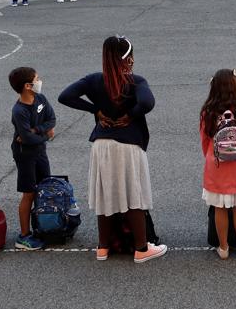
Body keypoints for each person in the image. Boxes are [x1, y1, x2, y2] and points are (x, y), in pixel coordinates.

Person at [58, 36, 167, 263]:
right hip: (128, 145)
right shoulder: (135, 81)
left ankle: (103, 247)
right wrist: (130, 115)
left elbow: (65, 96)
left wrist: (95, 111)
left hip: (101, 144)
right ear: (128, 59)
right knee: (133, 195)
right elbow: (147, 103)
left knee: (106, 194)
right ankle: (141, 248)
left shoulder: (94, 80)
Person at [199, 69, 236, 260]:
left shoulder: (208, 111)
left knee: (220, 207)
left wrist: (210, 156)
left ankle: (223, 247)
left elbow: (205, 140)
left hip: (216, 163)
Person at [8, 66, 55, 251]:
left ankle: (42, 226)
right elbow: (25, 139)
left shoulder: (41, 99)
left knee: (44, 188)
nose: (39, 81)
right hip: (25, 155)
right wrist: (46, 135)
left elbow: (51, 119)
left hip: (40, 151)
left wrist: (36, 130)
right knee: (29, 192)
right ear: (28, 86)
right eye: (37, 79)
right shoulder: (19, 110)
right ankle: (24, 236)